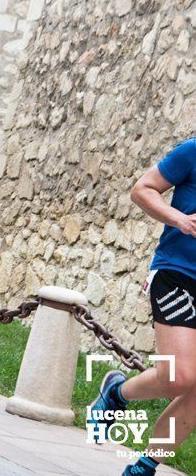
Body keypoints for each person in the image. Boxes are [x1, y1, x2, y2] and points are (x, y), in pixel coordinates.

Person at [89, 138, 196, 476]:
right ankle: (117, 394)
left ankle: (144, 468)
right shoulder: (192, 151)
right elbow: (143, 189)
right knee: (178, 378)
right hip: (178, 273)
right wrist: (180, 219)